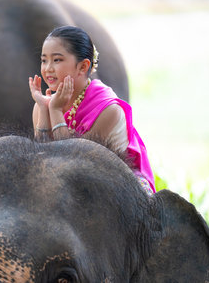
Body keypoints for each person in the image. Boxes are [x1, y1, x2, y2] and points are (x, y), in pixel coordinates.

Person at [28, 25, 155, 194]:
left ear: (83, 66)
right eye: (44, 60)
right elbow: (42, 158)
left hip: (117, 188)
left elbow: (72, 162)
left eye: (57, 60)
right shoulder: (45, 104)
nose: (48, 68)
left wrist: (56, 112)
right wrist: (44, 109)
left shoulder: (108, 109)